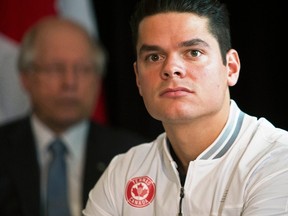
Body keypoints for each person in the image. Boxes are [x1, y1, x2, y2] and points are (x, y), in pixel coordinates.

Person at [83, 0, 288, 215]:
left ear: (231, 68)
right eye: (154, 57)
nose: (171, 68)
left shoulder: (277, 159)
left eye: (193, 52)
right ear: (137, 78)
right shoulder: (123, 172)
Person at [0, 16, 146, 216]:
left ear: (97, 79)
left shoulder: (134, 156)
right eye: (56, 68)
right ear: (26, 77)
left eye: (83, 69)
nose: (70, 82)